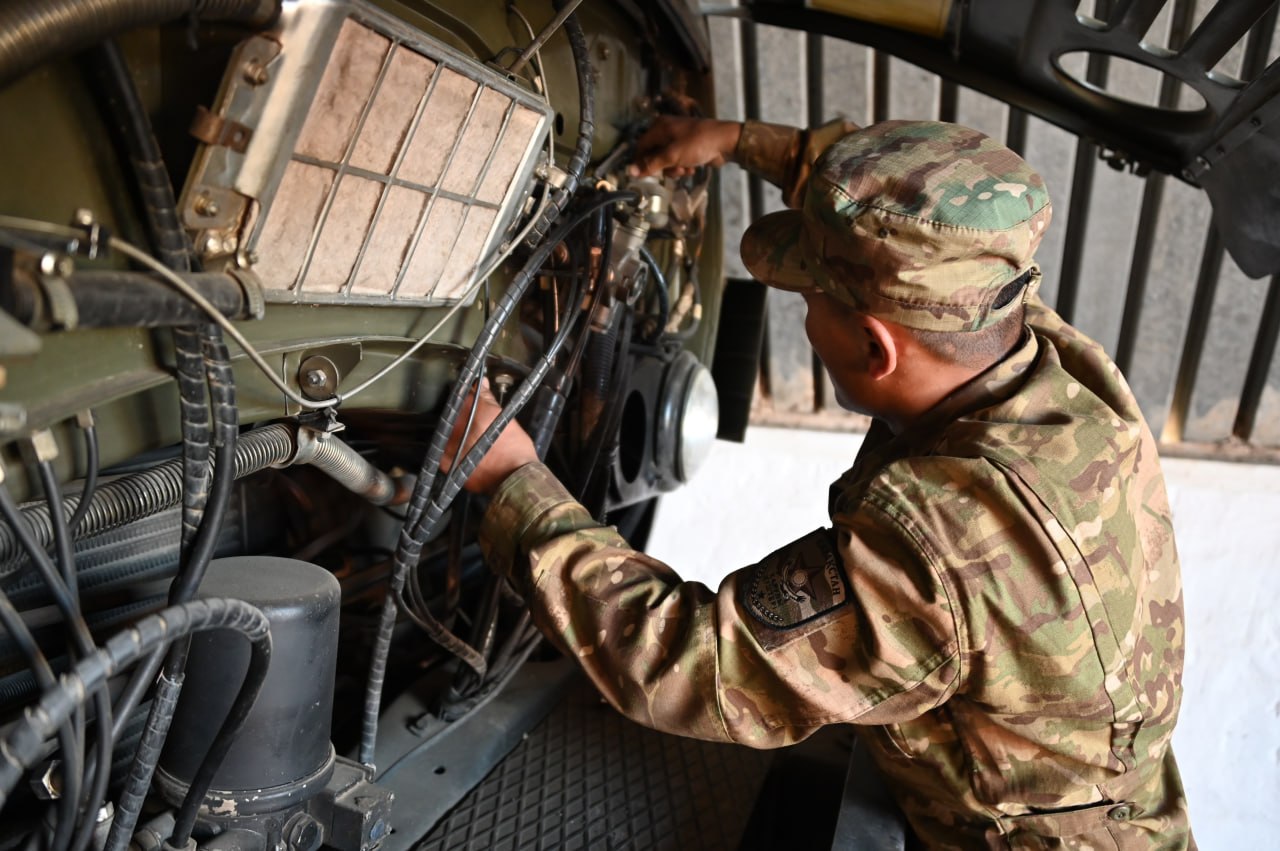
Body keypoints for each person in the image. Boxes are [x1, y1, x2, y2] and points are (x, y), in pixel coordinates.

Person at [445, 116, 1194, 849]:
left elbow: (685, 661)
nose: (803, 319)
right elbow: (919, 204)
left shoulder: (939, 546)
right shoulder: (1025, 335)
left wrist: (512, 479)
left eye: (808, 301)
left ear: (876, 348)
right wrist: (737, 141)